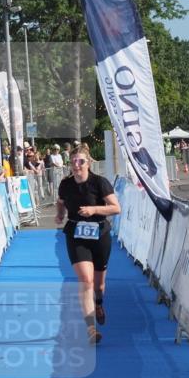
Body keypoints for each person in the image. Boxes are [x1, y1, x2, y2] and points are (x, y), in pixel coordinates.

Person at [55, 147, 121, 345]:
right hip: (76, 234)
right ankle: (91, 329)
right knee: (85, 280)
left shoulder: (99, 182)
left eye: (81, 161)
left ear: (88, 163)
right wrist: (60, 214)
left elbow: (116, 208)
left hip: (100, 233)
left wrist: (94, 209)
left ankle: (98, 303)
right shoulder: (65, 184)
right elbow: (60, 201)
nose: (77, 165)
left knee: (99, 285)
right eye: (74, 161)